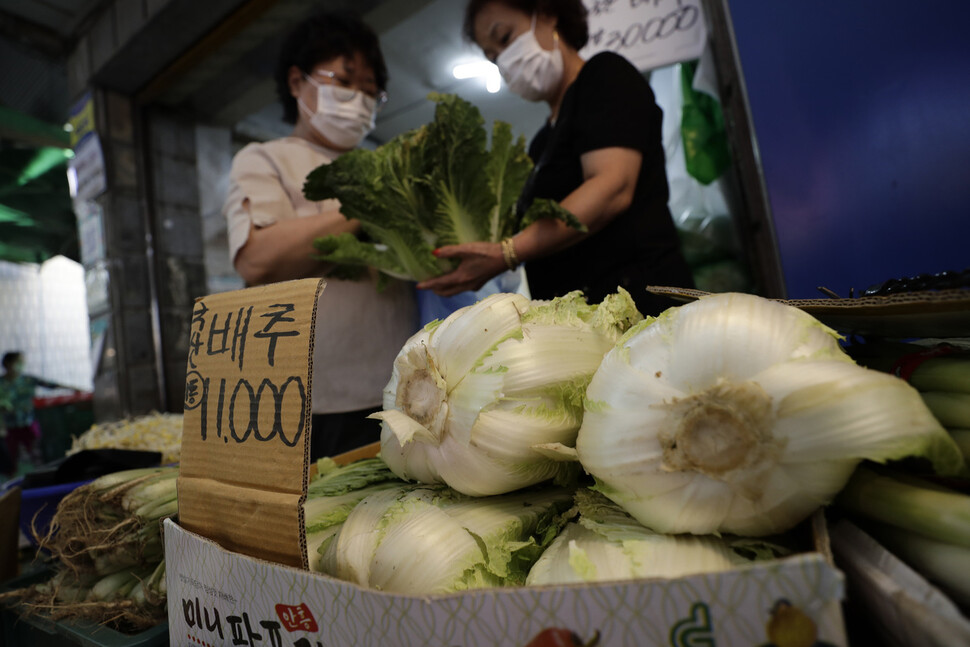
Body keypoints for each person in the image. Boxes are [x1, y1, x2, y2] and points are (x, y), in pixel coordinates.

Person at [418, 0, 695, 316]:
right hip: (583, 320)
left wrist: (507, 252)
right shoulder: (540, 145)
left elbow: (612, 187)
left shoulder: (604, 75)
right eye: (493, 57)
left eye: (505, 38)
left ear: (548, 16)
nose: (504, 62)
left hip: (640, 305)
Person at [223, 10, 417, 460]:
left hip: (401, 395)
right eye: (345, 82)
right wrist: (367, 207)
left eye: (371, 92)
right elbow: (256, 258)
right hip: (308, 406)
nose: (359, 100)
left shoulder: (385, 165)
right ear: (297, 82)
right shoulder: (265, 158)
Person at [0, 351, 66, 476]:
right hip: (9, 428)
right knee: (11, 460)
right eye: (19, 361)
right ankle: (12, 486)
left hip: (29, 424)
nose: (22, 364)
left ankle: (43, 478)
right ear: (8, 363)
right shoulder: (1, 383)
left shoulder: (28, 379)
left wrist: (76, 389)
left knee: (37, 455)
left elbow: (52, 385)